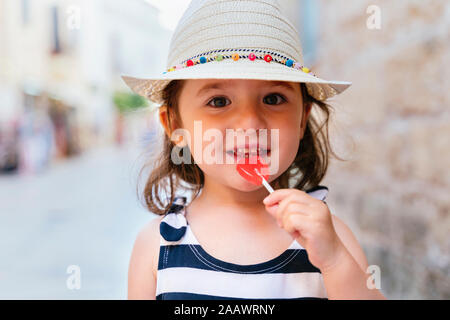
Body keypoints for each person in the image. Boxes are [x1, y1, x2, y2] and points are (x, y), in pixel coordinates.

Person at [124, 0, 386, 300]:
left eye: (273, 99)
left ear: (302, 119)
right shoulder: (157, 247)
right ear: (174, 125)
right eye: (219, 102)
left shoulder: (329, 237)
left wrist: (335, 261)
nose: (250, 124)